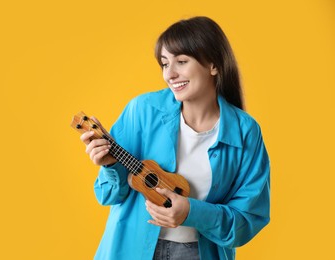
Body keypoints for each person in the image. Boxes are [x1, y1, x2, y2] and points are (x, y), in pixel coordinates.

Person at [80, 16, 270, 260]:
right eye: (164, 64)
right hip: (129, 249)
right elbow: (107, 195)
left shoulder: (245, 132)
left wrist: (192, 212)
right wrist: (109, 165)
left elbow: (248, 219)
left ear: (213, 65)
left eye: (181, 61)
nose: (170, 74)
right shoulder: (142, 110)